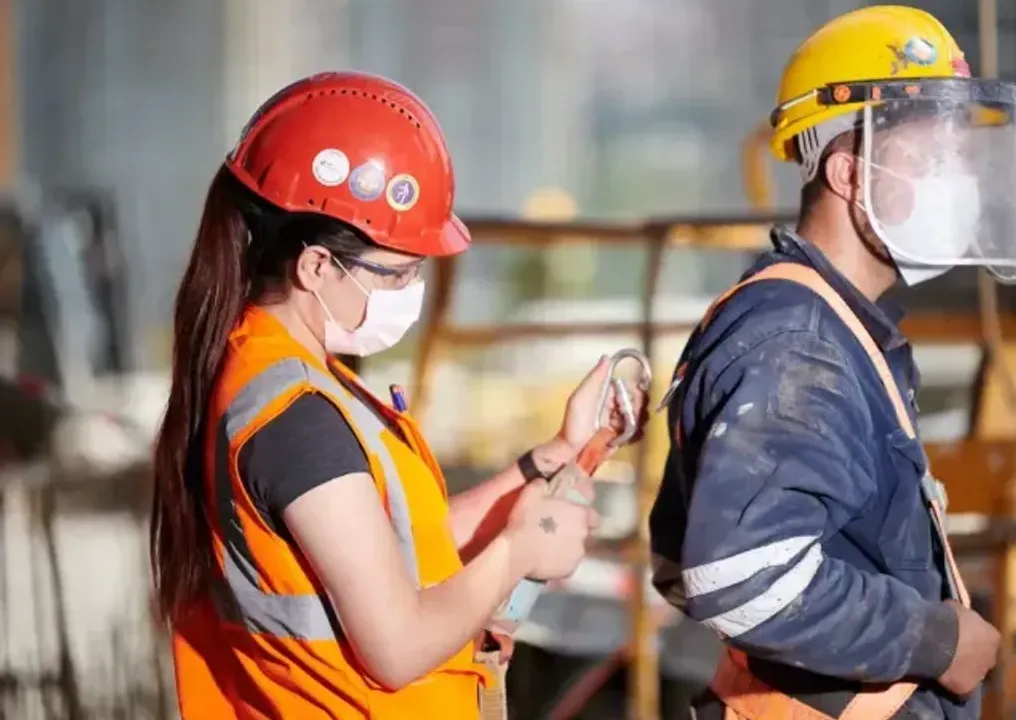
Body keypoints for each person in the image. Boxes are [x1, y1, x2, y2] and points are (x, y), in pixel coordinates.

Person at [149, 71, 647, 719]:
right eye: (398, 273)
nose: (412, 292)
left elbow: (405, 544)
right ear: (317, 266)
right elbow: (398, 645)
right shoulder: (294, 422)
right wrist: (518, 551)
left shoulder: (287, 375)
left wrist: (558, 453)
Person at [648, 6, 1016, 720]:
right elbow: (736, 577)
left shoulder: (830, 325)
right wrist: (936, 640)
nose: (959, 182)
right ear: (848, 173)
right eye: (932, 157)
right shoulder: (799, 342)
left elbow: (680, 556)